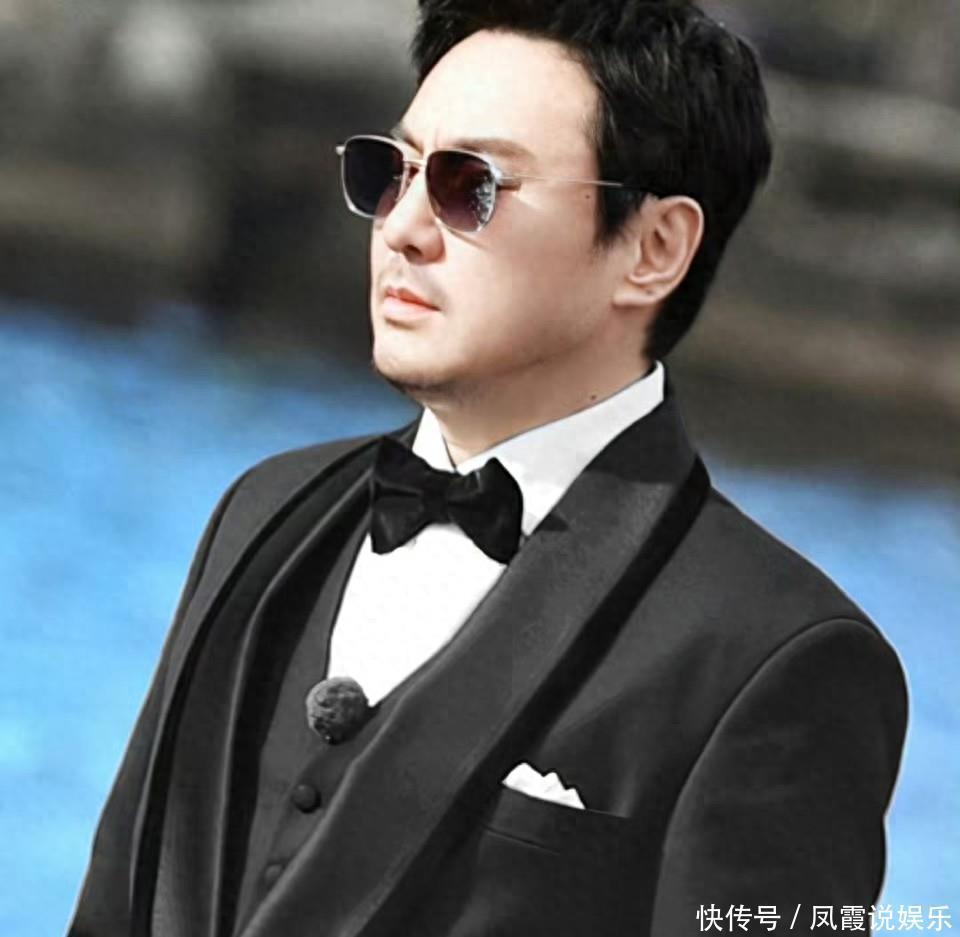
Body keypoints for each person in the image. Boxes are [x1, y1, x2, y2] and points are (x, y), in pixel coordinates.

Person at [68, 2, 908, 935]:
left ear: (655, 247)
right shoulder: (261, 510)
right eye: (391, 171)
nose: (402, 227)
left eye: (472, 186)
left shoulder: (778, 659)